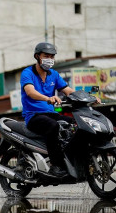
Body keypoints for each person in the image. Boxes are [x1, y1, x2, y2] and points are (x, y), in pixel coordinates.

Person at [20, 42, 75, 178]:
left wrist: (88, 97)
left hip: (51, 114)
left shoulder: (54, 74)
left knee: (74, 123)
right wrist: (47, 98)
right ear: (37, 56)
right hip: (33, 116)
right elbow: (30, 92)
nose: (49, 59)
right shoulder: (27, 73)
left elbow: (68, 91)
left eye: (52, 56)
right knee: (53, 126)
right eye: (46, 56)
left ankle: (74, 161)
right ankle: (55, 166)